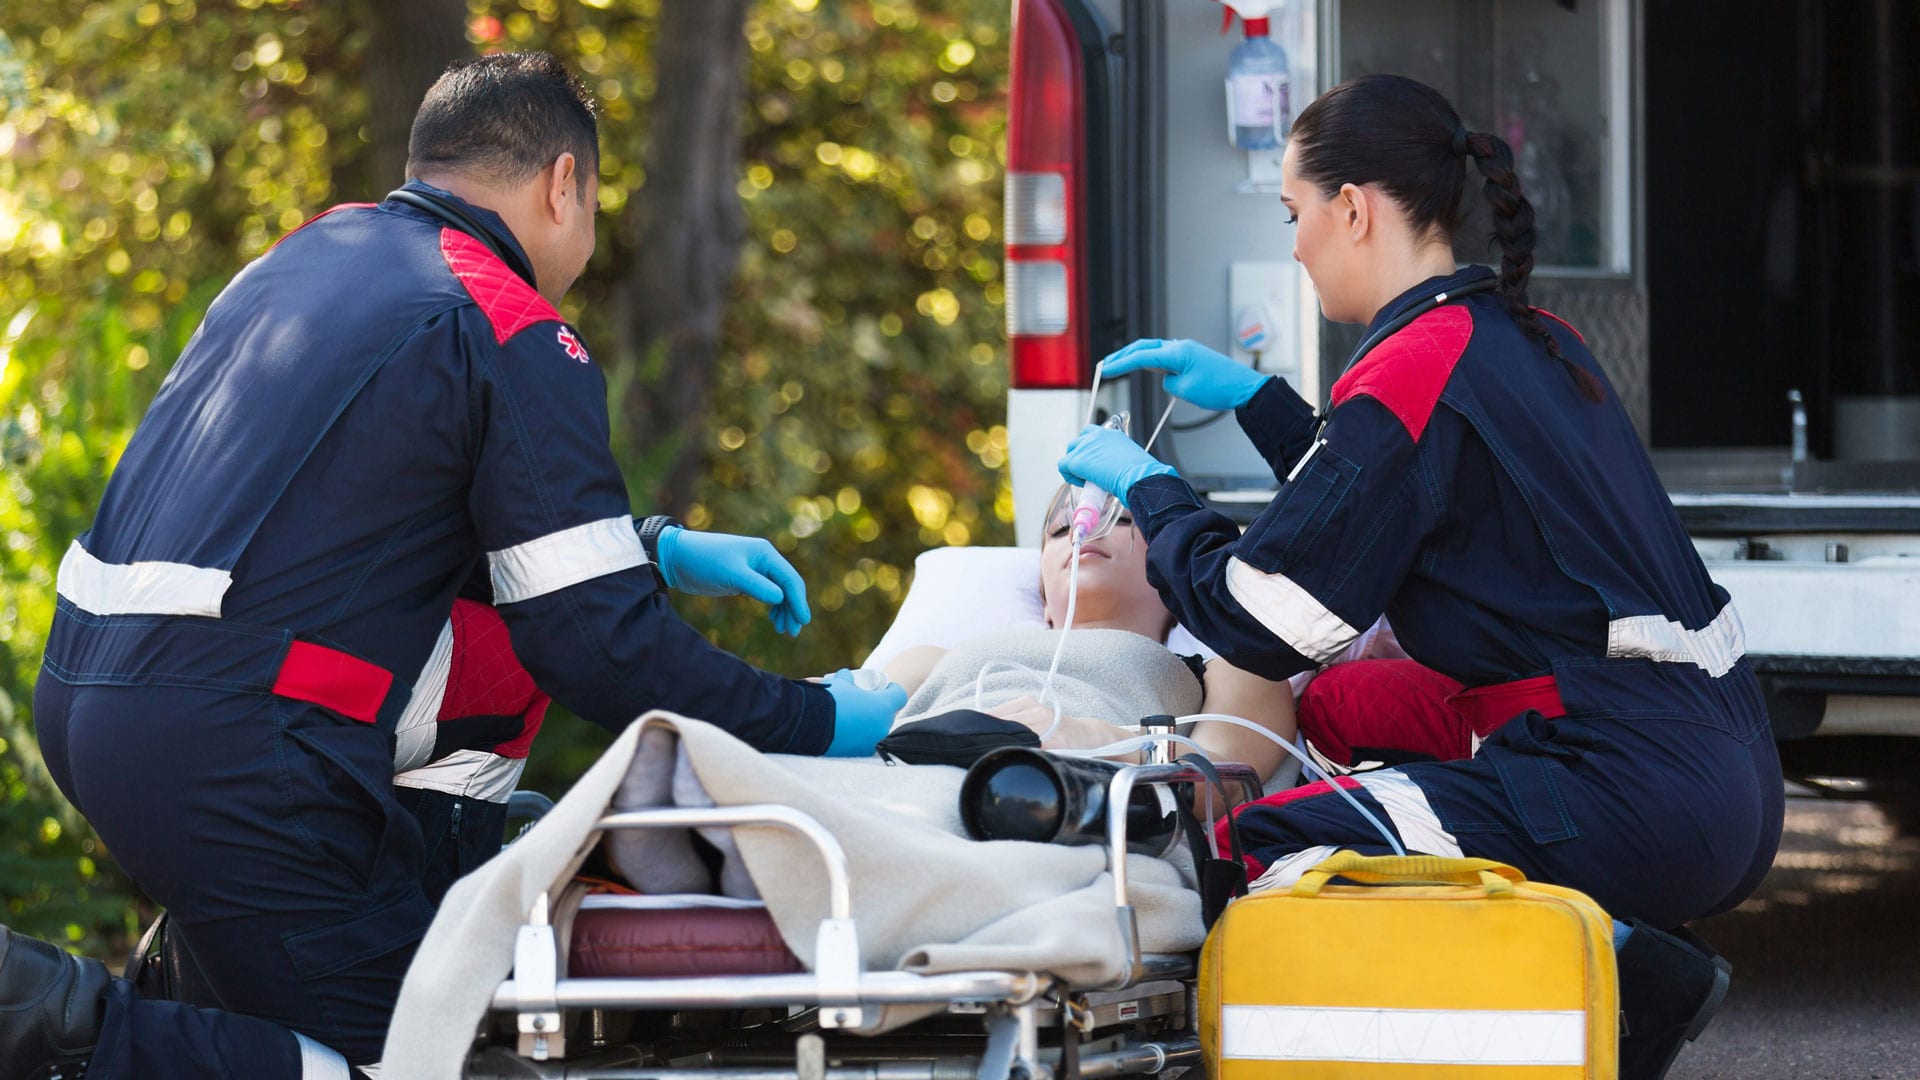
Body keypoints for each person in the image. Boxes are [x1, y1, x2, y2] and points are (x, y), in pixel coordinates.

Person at [0, 53, 906, 1080]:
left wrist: (649, 549)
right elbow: (598, 647)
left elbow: (359, 518)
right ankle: (52, 1023)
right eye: (596, 201)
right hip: (240, 750)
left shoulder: (304, 261)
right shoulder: (508, 323)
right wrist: (817, 719)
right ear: (563, 183)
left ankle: (169, 1003)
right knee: (407, 1064)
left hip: (97, 698)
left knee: (314, 1021)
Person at [1056, 74, 1782, 1079]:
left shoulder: (1411, 368)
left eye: (1295, 213)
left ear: (1351, 210)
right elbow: (1393, 495)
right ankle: (1623, 946)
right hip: (1721, 771)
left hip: (1630, 791)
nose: (1296, 244)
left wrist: (1155, 492)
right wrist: (1264, 404)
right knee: (1353, 703)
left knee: (1264, 843)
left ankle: (1625, 968)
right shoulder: (1529, 338)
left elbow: (1267, 621)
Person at [883, 484, 1298, 782]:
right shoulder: (928, 660)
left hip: (1052, 805)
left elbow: (1226, 777)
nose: (1086, 529)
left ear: (1176, 579)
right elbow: (832, 716)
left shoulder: (1234, 670)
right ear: (1044, 601)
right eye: (1060, 532)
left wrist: (1097, 740)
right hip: (892, 788)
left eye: (1122, 520)